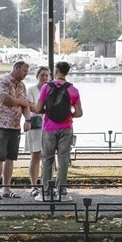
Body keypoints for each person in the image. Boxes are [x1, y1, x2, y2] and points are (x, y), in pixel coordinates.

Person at [35, 61, 83, 201]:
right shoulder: (73, 90)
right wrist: (68, 115)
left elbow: (38, 109)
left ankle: (45, 192)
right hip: (66, 128)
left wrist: (48, 111)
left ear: (56, 71)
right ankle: (62, 192)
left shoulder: (46, 87)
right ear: (67, 72)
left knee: (47, 160)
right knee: (63, 161)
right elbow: (79, 113)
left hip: (49, 128)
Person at [0, 59, 33, 199]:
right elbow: (4, 99)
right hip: (1, 125)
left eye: (27, 72)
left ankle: (6, 189)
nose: (26, 74)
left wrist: (27, 120)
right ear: (17, 68)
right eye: (24, 71)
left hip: (15, 125)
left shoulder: (22, 86)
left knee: (10, 158)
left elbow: (26, 105)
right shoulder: (3, 81)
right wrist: (20, 101)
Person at [24, 67, 49, 195]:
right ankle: (34, 186)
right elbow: (30, 106)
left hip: (48, 125)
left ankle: (46, 184)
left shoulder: (50, 89)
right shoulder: (32, 89)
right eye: (42, 75)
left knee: (47, 156)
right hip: (36, 125)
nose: (45, 78)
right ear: (37, 76)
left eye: (46, 75)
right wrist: (42, 109)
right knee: (35, 156)